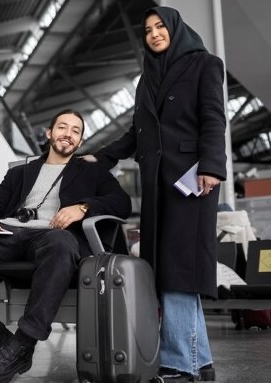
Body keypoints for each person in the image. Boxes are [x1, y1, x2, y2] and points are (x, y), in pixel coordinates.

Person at [84, 6, 226, 382]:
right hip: (156, 183)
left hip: (193, 182)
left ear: (175, 28)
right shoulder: (146, 79)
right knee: (165, 270)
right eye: (147, 30)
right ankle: (201, 363)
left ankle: (180, 364)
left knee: (181, 269)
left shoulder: (205, 65)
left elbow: (214, 117)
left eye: (160, 26)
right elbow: (136, 133)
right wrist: (103, 155)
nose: (154, 34)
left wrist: (212, 166)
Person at [0, 109, 131, 383]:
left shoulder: (93, 172)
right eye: (62, 127)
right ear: (49, 133)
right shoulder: (21, 171)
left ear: (79, 142)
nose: (68, 134)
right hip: (9, 232)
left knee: (62, 245)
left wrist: (83, 206)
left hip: (54, 235)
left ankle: (24, 342)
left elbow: (122, 203)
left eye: (75, 131)